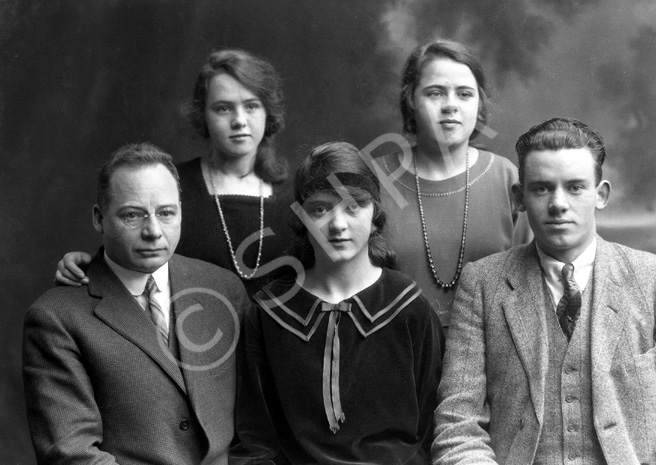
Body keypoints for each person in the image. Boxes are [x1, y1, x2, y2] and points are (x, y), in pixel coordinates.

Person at [432, 117, 656, 464]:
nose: (558, 204)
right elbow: (457, 425)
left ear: (601, 195)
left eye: (575, 187)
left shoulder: (649, 278)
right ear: (519, 198)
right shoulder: (482, 285)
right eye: (542, 188)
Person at [23, 143, 250, 464]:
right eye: (133, 215)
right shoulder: (55, 318)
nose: (154, 231)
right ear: (99, 218)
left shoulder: (224, 288)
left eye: (166, 213)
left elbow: (256, 427)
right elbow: (71, 453)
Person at [231, 142, 444, 464]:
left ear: (375, 215)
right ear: (302, 217)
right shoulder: (269, 312)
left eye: (353, 206)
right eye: (320, 209)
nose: (338, 224)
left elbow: (434, 427)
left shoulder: (409, 308)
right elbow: (254, 439)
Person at [55, 48, 294, 296]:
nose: (239, 121)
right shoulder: (168, 186)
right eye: (223, 108)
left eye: (252, 106)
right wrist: (86, 265)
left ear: (268, 111)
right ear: (203, 115)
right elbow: (129, 257)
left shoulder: (297, 197)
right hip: (188, 332)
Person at [378, 40, 531, 327]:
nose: (450, 106)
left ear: (479, 103)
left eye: (464, 94)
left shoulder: (505, 178)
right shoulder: (375, 179)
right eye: (435, 93)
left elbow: (528, 284)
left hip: (490, 356)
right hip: (398, 354)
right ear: (411, 99)